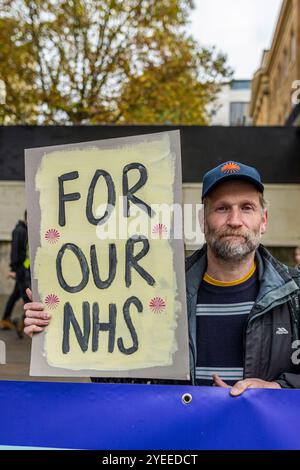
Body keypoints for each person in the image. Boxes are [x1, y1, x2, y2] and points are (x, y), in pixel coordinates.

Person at [23, 162, 300, 395]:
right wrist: (60, 321)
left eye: (247, 208)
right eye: (222, 208)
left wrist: (278, 390)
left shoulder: (295, 294)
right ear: (203, 220)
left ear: (263, 220)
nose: (235, 220)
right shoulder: (159, 293)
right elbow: (120, 381)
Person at [0, 211, 31, 337]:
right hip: (20, 270)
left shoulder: (25, 230)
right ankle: (23, 323)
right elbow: (15, 251)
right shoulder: (20, 231)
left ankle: (6, 318)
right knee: (25, 296)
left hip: (24, 269)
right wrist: (14, 269)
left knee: (15, 295)